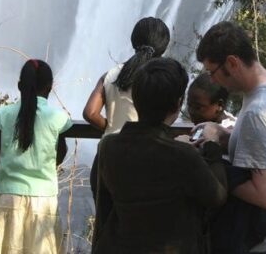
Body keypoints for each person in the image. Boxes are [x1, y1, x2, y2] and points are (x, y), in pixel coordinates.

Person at [93, 58, 227, 253]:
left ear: (136, 100)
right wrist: (213, 147)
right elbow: (217, 197)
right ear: (177, 104)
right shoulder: (183, 155)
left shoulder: (108, 147)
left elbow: (104, 209)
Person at [195, 21, 266, 254]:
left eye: (212, 72)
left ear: (233, 63)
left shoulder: (258, 111)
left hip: (263, 241)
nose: (212, 80)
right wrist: (222, 134)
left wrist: (215, 168)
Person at [0, 59, 72, 254]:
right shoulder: (58, 118)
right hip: (43, 201)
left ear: (19, 86)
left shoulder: (4, 114)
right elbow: (60, 154)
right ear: (50, 87)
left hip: (7, 199)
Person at [82, 17, 170, 201]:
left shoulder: (111, 74)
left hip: (108, 156)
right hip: (146, 156)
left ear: (133, 41)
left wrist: (111, 127)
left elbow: (90, 113)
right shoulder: (161, 78)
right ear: (164, 46)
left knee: (105, 223)